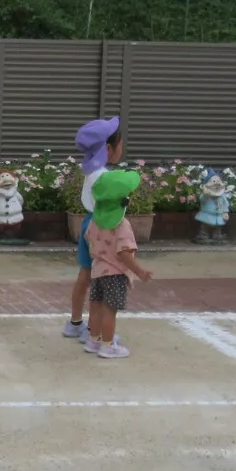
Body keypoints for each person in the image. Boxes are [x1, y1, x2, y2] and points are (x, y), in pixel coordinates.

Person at [81, 129, 154, 359]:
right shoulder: (122, 225)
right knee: (109, 311)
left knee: (95, 306)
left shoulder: (95, 222)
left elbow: (88, 238)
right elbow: (124, 253)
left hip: (97, 271)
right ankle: (108, 345)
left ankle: (93, 340)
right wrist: (140, 271)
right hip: (114, 275)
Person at [64, 116, 120, 340]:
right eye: (120, 145)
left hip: (88, 222)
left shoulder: (91, 171)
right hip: (102, 226)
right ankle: (93, 331)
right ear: (108, 148)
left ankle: (75, 323)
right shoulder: (106, 176)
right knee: (101, 278)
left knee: (85, 274)